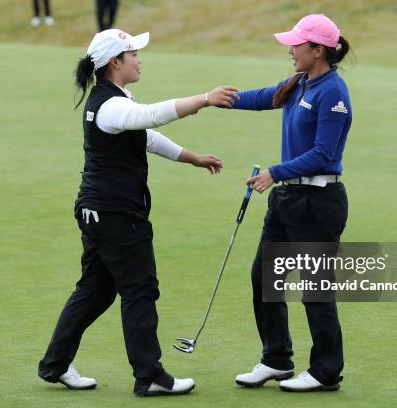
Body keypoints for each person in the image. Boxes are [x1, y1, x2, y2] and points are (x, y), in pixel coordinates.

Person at [37, 29, 238, 397]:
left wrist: (192, 158)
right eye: (133, 53)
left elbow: (145, 135)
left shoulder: (113, 101)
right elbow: (151, 116)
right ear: (116, 62)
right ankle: (149, 376)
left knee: (96, 292)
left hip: (99, 211)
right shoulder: (112, 106)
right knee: (139, 289)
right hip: (116, 214)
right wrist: (205, 99)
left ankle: (56, 364)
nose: (139, 58)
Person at [228, 14, 352, 392]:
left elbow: (323, 152)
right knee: (264, 278)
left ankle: (326, 371)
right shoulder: (298, 82)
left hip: (318, 202)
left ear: (319, 50)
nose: (290, 50)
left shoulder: (333, 90)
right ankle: (276, 359)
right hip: (288, 199)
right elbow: (262, 97)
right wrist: (218, 99)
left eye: (297, 45)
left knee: (315, 290)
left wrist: (275, 172)